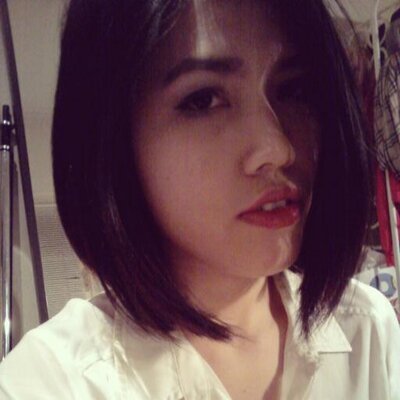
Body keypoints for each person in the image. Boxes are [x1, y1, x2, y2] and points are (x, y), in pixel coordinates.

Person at [0, 0, 399, 399]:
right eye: (203, 100)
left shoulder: (367, 330)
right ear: (110, 141)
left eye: (293, 89)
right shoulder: (50, 383)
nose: (278, 149)